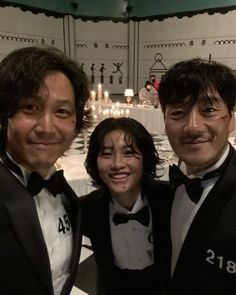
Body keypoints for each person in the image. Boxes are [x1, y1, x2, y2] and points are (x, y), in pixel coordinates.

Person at [0, 45, 91, 295]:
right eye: (30, 107)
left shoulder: (63, 192)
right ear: (4, 114)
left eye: (62, 111)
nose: (47, 127)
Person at [158, 58, 236, 294]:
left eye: (209, 110)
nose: (192, 126)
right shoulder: (164, 188)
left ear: (231, 118)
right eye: (178, 112)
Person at [80, 117, 172, 295]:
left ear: (145, 158)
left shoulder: (169, 198)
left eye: (129, 153)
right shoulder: (88, 209)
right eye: (106, 154)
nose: (117, 164)